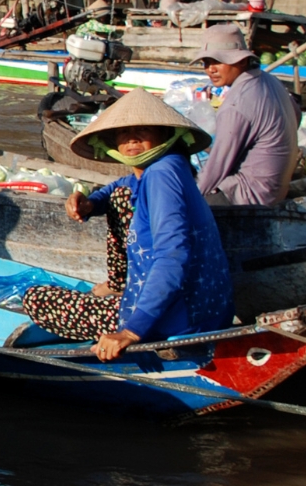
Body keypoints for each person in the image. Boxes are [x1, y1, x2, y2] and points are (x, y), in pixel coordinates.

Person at [23, 91, 233, 360]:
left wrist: (131, 331)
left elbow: (172, 256)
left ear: (164, 135)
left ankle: (124, 306)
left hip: (172, 320)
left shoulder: (160, 176)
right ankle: (120, 285)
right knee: (119, 197)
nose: (132, 139)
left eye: (143, 130)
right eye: (124, 132)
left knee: (37, 298)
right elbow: (118, 188)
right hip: (208, 309)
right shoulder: (168, 166)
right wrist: (89, 202)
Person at [190, 25, 299, 205]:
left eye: (218, 61)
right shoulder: (270, 80)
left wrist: (187, 200)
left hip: (252, 196)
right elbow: (296, 116)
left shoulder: (236, 104)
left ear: (241, 61)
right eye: (207, 63)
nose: (211, 69)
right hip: (277, 188)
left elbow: (216, 168)